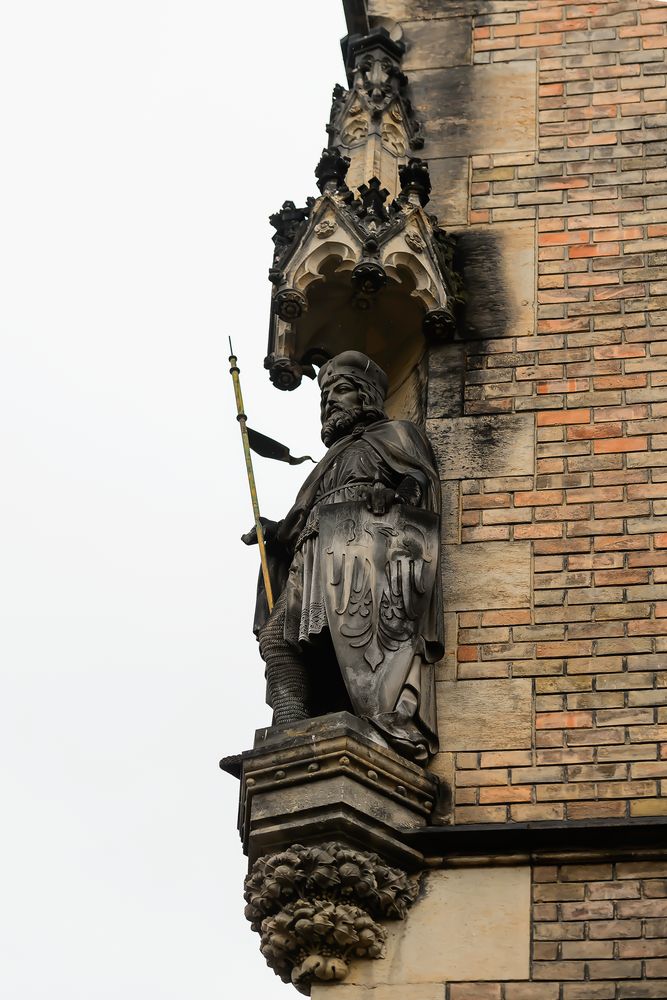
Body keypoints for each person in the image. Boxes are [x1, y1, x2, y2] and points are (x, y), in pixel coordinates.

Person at [244, 351, 442, 763]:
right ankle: (290, 725)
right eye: (325, 395)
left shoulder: (396, 435)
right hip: (313, 554)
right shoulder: (330, 459)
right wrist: (274, 533)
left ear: (367, 396)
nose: (330, 400)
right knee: (277, 639)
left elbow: (420, 483)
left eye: (342, 390)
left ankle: (369, 723)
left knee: (344, 641)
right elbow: (302, 516)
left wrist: (394, 496)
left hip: (362, 557)